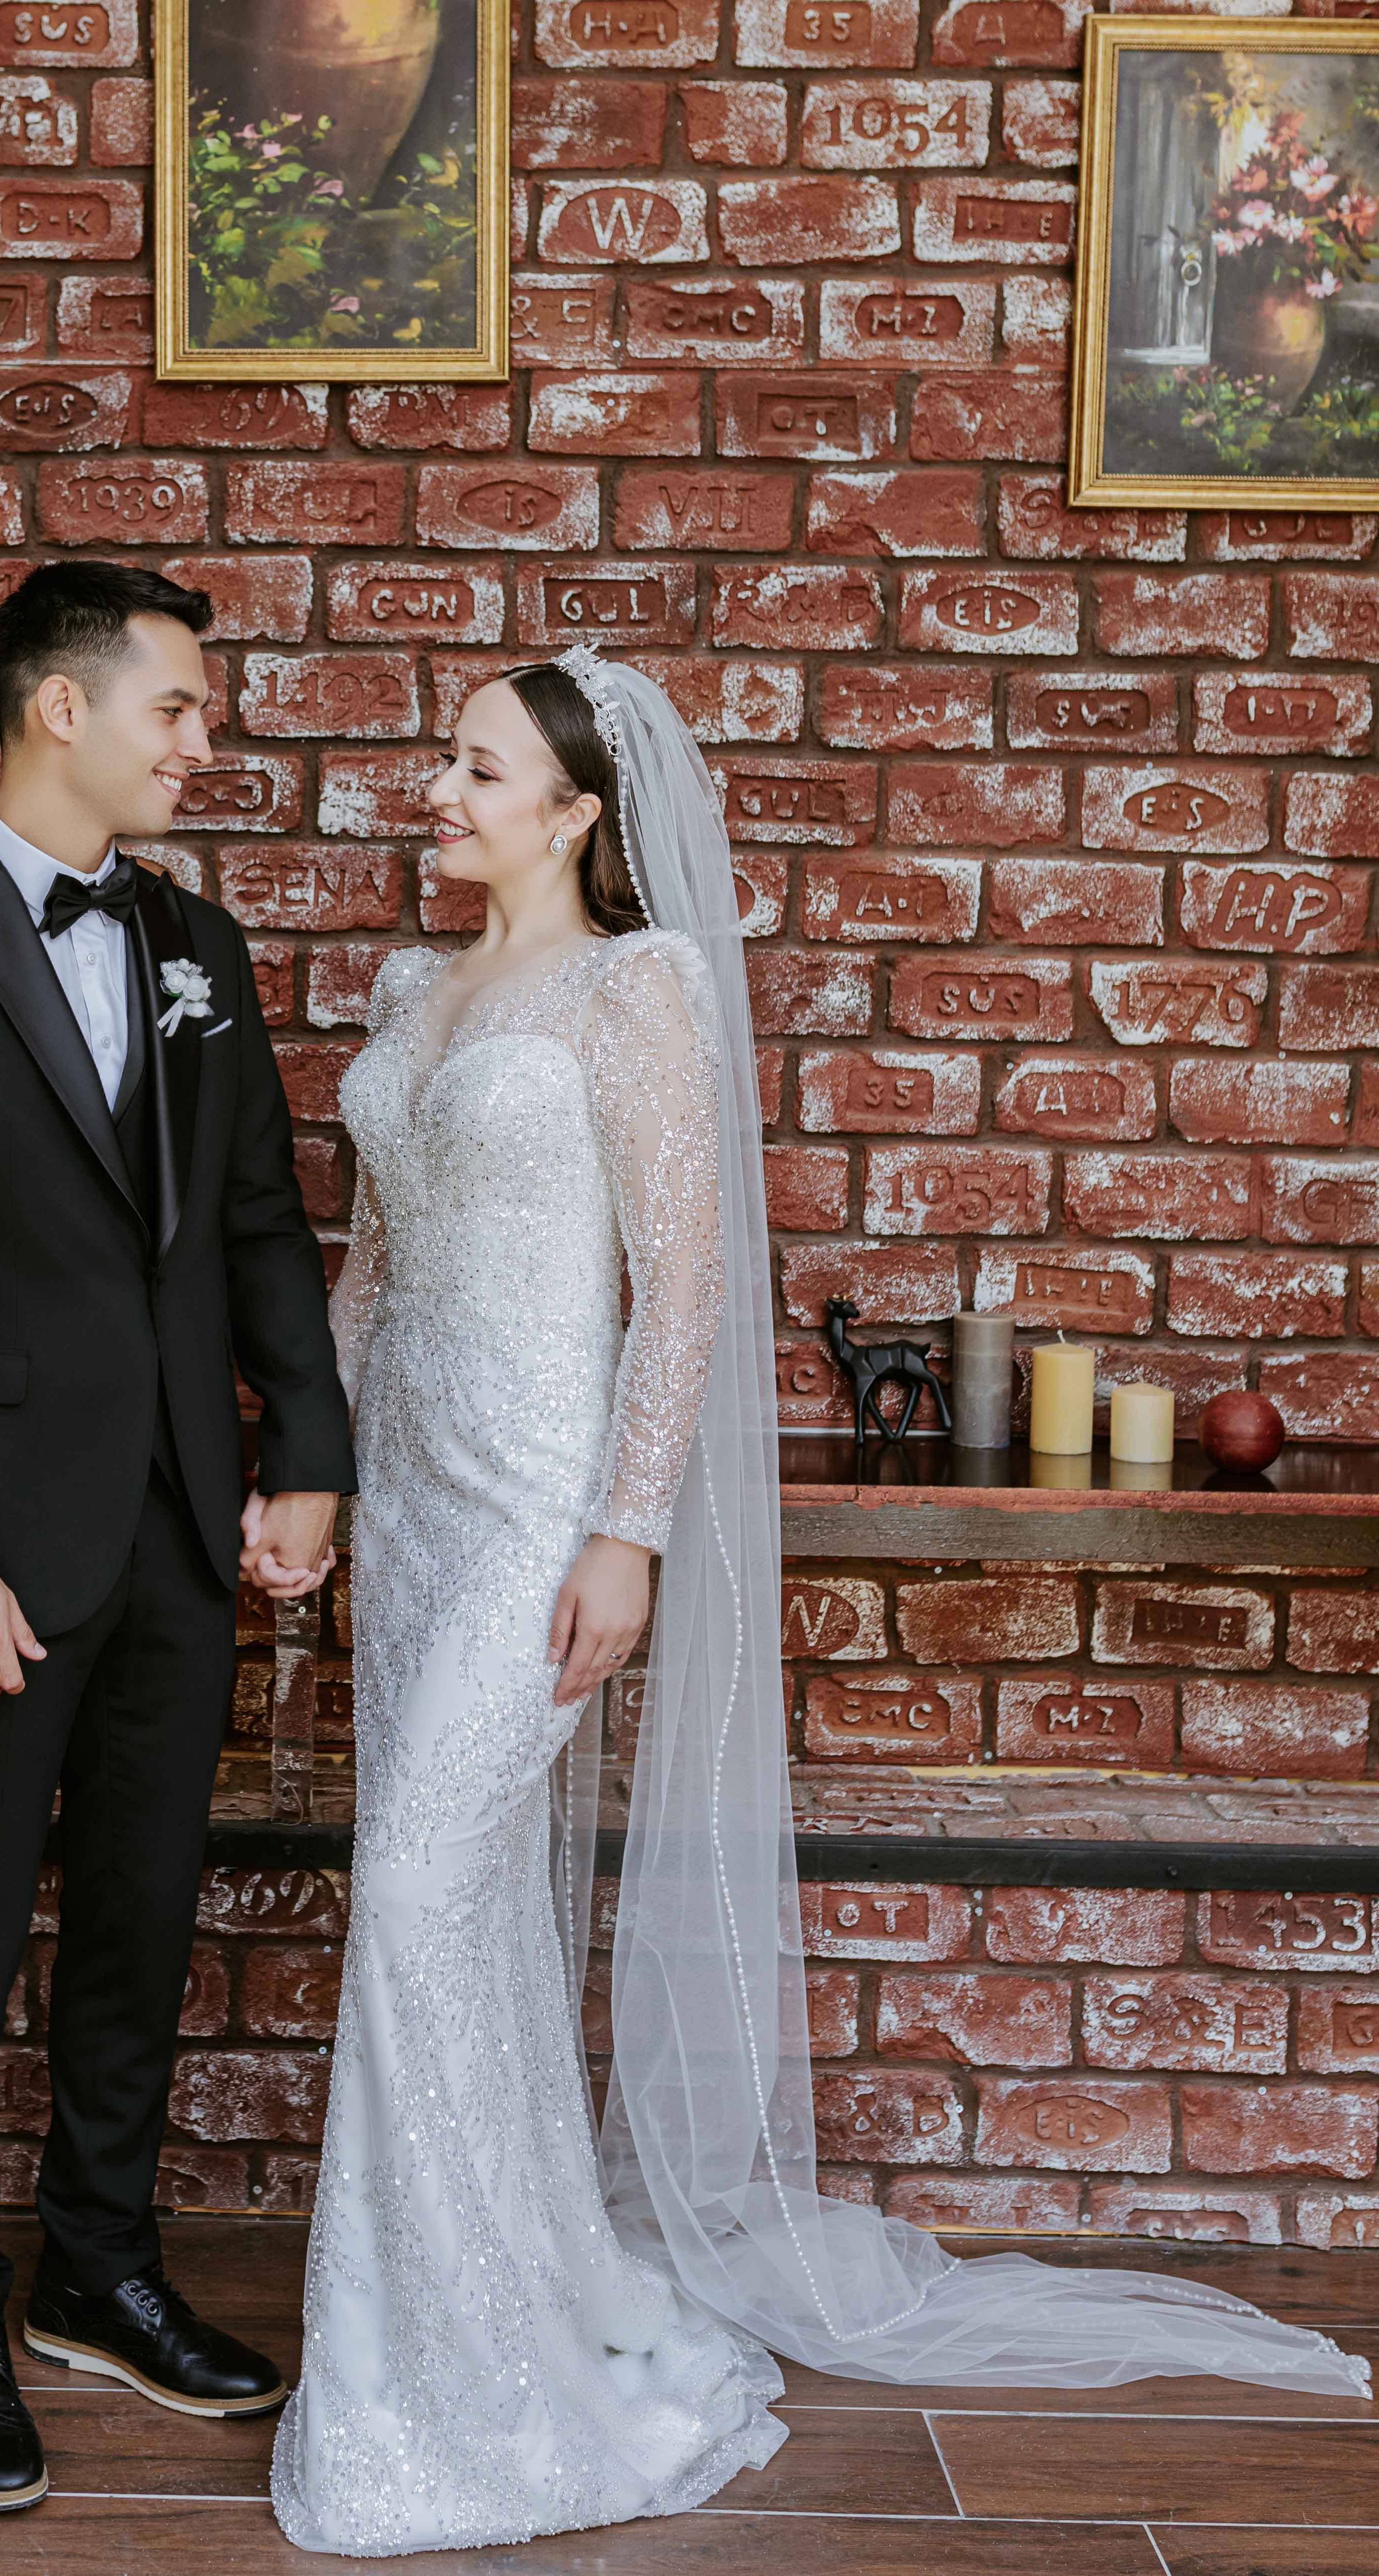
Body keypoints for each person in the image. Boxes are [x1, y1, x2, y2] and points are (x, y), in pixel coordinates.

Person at [272, 647, 1367, 2560]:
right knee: (465, 1928)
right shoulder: (409, 992)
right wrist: (320, 1477)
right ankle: (509, 2315)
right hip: (415, 1511)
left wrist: (628, 1532)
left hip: (539, 1515)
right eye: (448, 760)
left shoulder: (637, 986)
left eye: (477, 767)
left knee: (413, 1895)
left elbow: (686, 1283)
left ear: (577, 811)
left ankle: (435, 2392)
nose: (436, 790)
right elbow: (375, 1267)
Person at [0, 559, 354, 2516]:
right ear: (61, 709)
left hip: (183, 1528)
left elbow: (259, 1219)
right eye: (177, 707)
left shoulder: (200, 943)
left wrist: (309, 1451)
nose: (203, 740)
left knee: (138, 1920)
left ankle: (95, 2271)